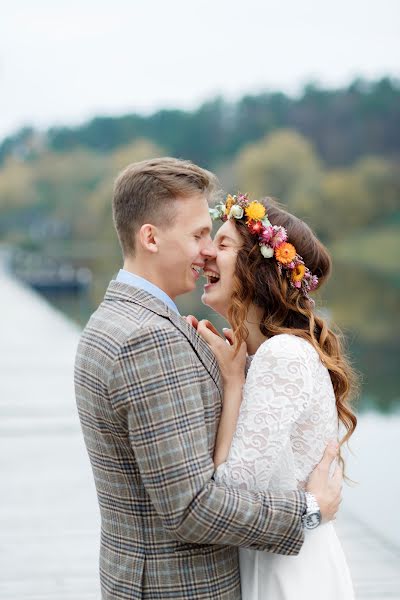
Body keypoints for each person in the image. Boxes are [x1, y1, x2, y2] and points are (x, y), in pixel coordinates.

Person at [74, 158, 342, 600]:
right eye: (199, 235)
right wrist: (309, 510)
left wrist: (233, 381)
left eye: (215, 239)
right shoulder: (150, 338)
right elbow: (192, 507)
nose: (206, 252)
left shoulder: (117, 320)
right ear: (150, 237)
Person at [195, 192, 358, 599]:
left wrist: (233, 385)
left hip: (289, 573)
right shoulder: (259, 355)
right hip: (278, 557)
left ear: (257, 267)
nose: (206, 255)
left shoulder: (281, 355)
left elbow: (232, 492)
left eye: (223, 244)